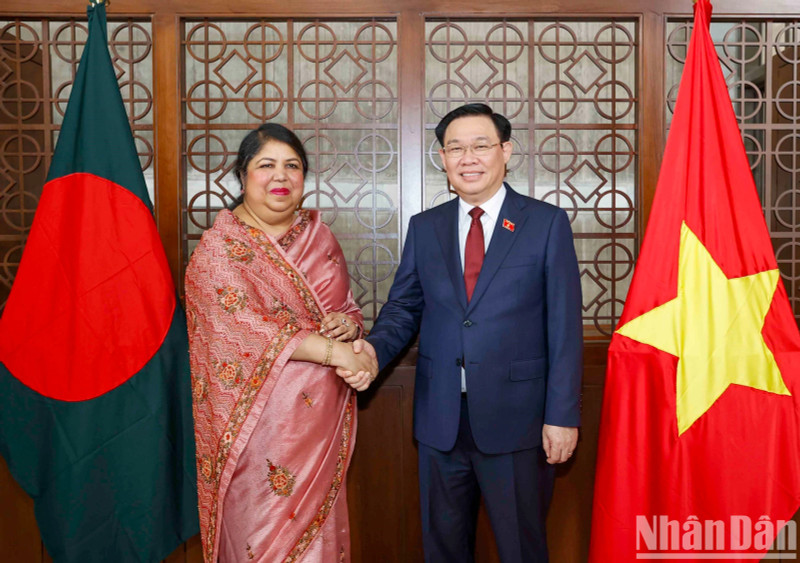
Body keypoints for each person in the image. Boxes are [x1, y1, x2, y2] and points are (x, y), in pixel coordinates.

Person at [342, 103, 583, 562]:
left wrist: (563, 415)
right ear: (443, 159)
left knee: (521, 548)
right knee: (444, 549)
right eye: (455, 148)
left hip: (520, 420)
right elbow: (405, 307)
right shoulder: (425, 227)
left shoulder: (545, 223)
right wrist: (373, 350)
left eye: (480, 146)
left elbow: (565, 327)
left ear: (505, 151)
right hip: (441, 420)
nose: (467, 158)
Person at [185, 123, 377, 563]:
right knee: (260, 542)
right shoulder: (218, 250)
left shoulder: (320, 237)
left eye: (293, 166)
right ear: (242, 176)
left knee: (320, 543)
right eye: (266, 165)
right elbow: (247, 327)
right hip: (255, 428)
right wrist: (335, 352)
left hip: (317, 424)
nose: (281, 176)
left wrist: (347, 329)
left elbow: (345, 309)